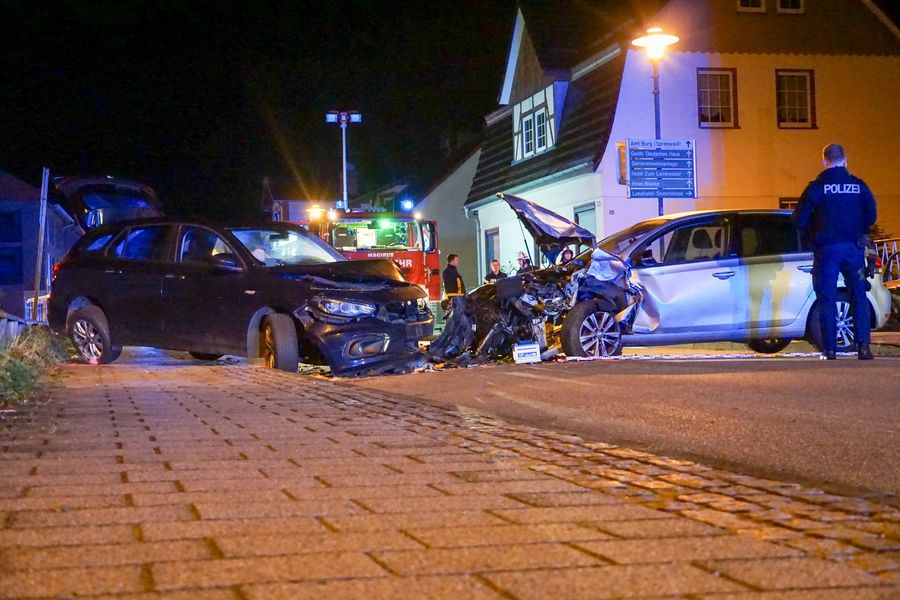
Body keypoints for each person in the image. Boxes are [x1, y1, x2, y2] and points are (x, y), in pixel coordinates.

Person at [793, 143, 877, 360]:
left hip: (826, 251)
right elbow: (872, 216)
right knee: (858, 295)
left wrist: (813, 234)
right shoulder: (859, 186)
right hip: (854, 251)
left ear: (824, 161)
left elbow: (799, 219)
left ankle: (830, 349)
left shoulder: (817, 187)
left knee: (827, 297)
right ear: (845, 160)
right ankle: (864, 348)